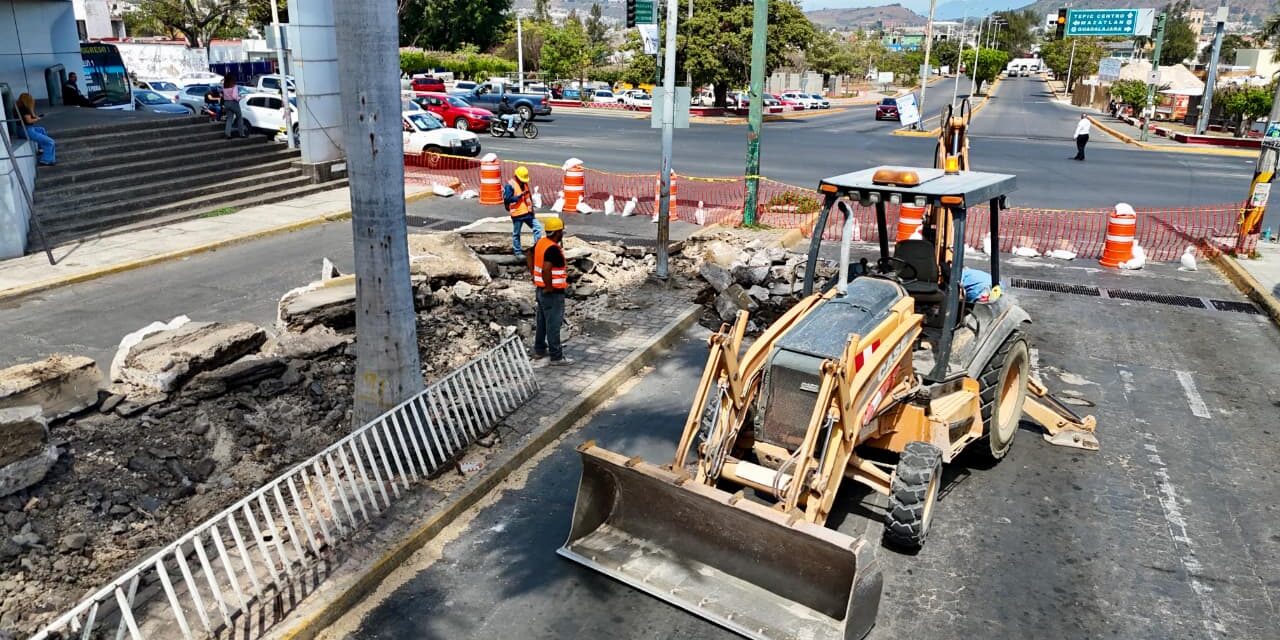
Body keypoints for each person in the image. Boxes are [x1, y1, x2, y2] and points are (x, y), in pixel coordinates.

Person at [530, 216, 572, 366]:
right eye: (561, 232)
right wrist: (549, 286)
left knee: (542, 322)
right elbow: (547, 268)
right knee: (553, 324)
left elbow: (529, 254)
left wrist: (533, 275)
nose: (562, 235)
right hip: (552, 292)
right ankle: (556, 356)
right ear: (556, 233)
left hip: (540, 290)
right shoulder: (553, 249)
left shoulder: (541, 242)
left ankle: (539, 350)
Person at [503, 165, 544, 257]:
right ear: (517, 176)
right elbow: (507, 199)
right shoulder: (510, 186)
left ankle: (537, 249)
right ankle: (517, 252)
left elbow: (528, 197)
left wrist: (532, 210)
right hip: (517, 214)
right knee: (516, 233)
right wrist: (517, 198)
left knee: (537, 228)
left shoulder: (524, 184)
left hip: (527, 213)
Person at [15, 93, 55, 166]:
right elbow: (29, 121)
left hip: (20, 130)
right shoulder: (25, 109)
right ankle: (46, 160)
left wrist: (34, 115)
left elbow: (27, 118)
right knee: (50, 142)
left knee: (41, 129)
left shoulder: (18, 107)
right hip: (26, 130)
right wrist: (37, 119)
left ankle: (41, 149)